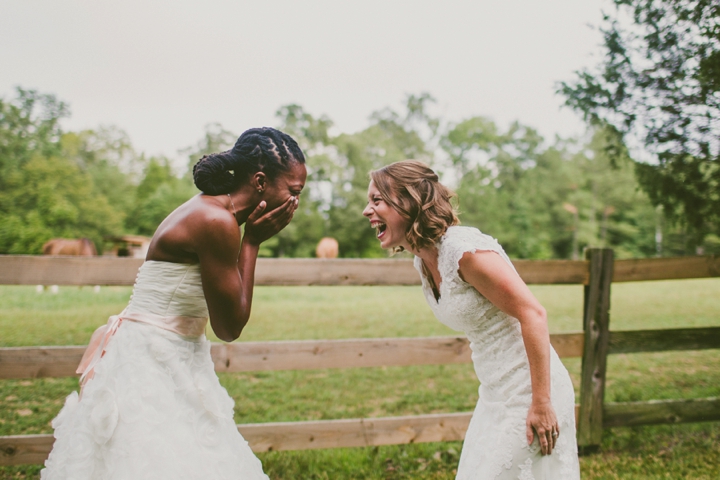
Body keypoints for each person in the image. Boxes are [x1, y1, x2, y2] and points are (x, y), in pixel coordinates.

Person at [41, 127, 307, 480]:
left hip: (177, 353)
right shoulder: (215, 221)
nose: (295, 203)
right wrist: (252, 242)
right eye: (293, 191)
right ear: (260, 181)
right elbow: (229, 328)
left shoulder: (214, 213)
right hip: (151, 361)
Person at [362, 160, 580, 479]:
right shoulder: (422, 261)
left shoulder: (464, 252)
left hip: (531, 391)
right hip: (493, 394)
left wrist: (542, 402)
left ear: (408, 203)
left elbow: (533, 314)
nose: (367, 211)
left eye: (376, 201)